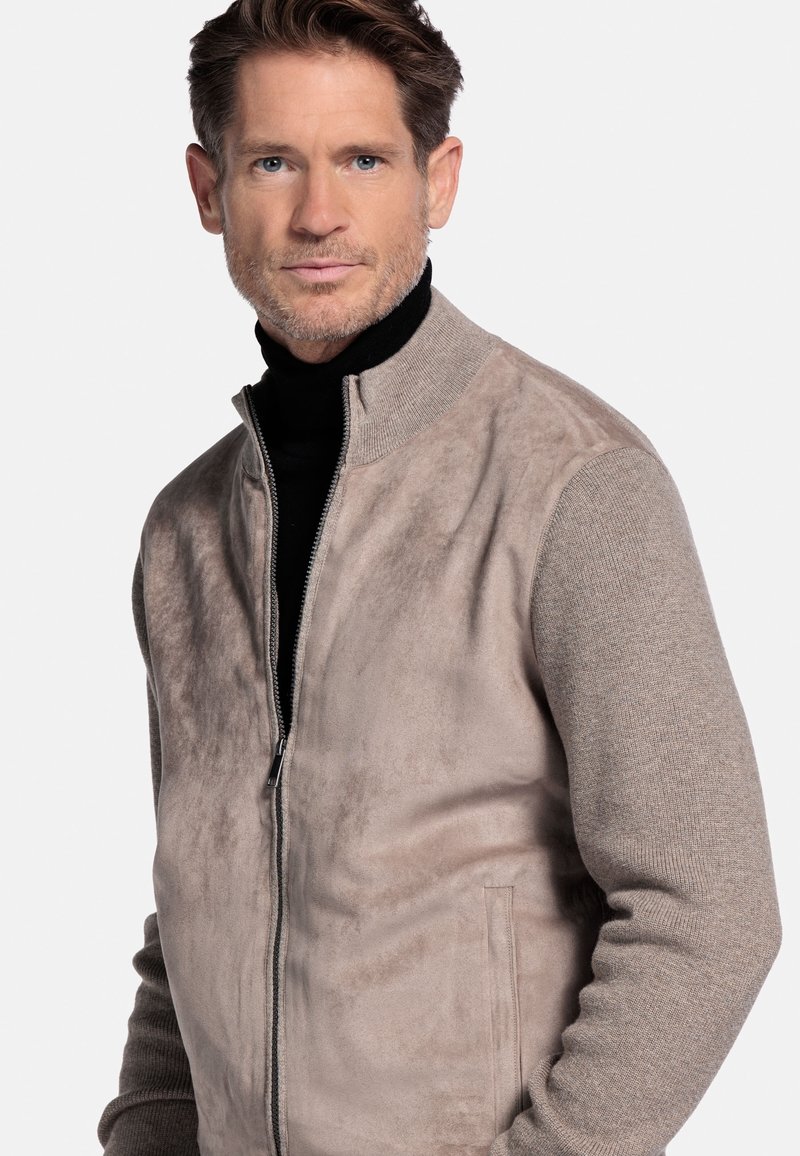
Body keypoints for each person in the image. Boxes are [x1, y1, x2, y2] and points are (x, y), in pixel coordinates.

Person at [97, 2, 781, 1154]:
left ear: (438, 179)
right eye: (274, 162)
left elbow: (706, 915)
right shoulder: (183, 532)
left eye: (363, 160)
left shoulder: (574, 486)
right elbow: (201, 911)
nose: (319, 213)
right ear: (208, 188)